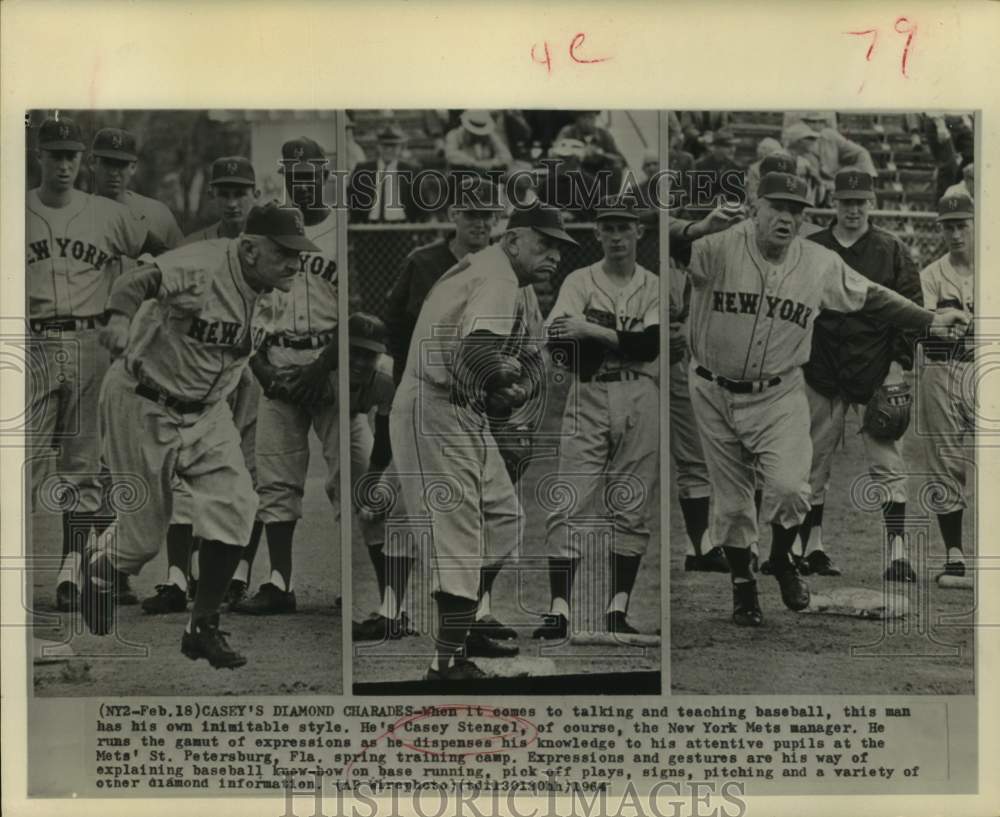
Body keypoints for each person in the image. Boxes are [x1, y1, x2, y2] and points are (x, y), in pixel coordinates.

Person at [685, 171, 969, 627]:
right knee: (735, 504)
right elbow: (659, 238)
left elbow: (872, 297)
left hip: (779, 391)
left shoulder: (817, 261)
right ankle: (743, 586)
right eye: (776, 206)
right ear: (756, 207)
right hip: (713, 391)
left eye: (795, 210)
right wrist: (696, 228)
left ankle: (782, 559)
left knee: (791, 486)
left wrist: (928, 320)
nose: (786, 217)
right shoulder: (717, 243)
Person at [85, 203, 315, 668]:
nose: (295, 261)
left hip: (208, 411)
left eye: (299, 252)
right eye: (284, 251)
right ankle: (97, 570)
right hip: (144, 398)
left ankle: (202, 627)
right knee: (140, 540)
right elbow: (138, 281)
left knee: (238, 506)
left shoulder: (277, 290)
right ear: (250, 250)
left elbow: (244, 350)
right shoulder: (205, 264)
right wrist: (118, 318)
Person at [391, 203, 573, 681]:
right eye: (544, 243)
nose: (554, 255)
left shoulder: (502, 274)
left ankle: (464, 624)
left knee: (504, 517)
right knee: (459, 537)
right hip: (433, 405)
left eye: (559, 247)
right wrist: (501, 383)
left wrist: (504, 387)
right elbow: (476, 353)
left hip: (457, 406)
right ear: (513, 241)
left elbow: (500, 357)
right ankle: (445, 664)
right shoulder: (498, 277)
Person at [26, 117, 161, 614]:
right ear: (38, 155)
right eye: (55, 154)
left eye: (71, 156)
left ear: (82, 161)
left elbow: (164, 260)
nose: (63, 164)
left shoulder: (106, 215)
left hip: (90, 341)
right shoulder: (13, 207)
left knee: (82, 469)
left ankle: (69, 573)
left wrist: (132, 314)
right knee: (20, 465)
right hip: (30, 343)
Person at [140, 155, 262, 615]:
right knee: (184, 475)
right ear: (213, 194)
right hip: (196, 371)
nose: (233, 201)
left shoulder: (272, 248)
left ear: (255, 194)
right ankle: (176, 575)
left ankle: (232, 575)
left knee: (246, 470)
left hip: (250, 365)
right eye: (225, 192)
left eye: (241, 192)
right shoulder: (195, 246)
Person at [533, 199, 660, 638]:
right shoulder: (578, 280)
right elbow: (558, 337)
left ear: (639, 232)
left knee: (631, 504)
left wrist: (592, 331)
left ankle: (617, 610)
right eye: (609, 228)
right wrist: (609, 339)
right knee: (569, 499)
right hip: (587, 394)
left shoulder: (654, 286)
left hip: (641, 393)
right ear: (598, 234)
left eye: (625, 227)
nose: (617, 236)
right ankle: (560, 609)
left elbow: (649, 347)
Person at [789, 169, 923, 580]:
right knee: (812, 461)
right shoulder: (811, 248)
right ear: (834, 202)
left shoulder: (891, 249)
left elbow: (911, 307)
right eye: (846, 201)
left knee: (887, 462)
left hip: (875, 367)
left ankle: (896, 552)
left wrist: (899, 363)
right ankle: (811, 547)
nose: (853, 208)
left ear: (871, 202)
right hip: (821, 366)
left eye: (860, 201)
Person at [232, 137, 340, 615]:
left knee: (348, 476)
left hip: (331, 364)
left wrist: (322, 368)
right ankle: (279, 582)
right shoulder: (267, 230)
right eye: (292, 171)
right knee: (274, 480)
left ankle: (352, 588)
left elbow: (356, 315)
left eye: (310, 170)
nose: (302, 179)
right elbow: (246, 307)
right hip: (275, 361)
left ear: (325, 171)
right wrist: (263, 369)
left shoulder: (342, 228)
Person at [385, 180, 501, 385]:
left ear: (496, 218)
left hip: (484, 379)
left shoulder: (504, 266)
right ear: (453, 214)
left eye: (486, 215)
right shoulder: (423, 262)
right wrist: (406, 373)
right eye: (471, 214)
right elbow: (397, 321)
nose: (479, 223)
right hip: (429, 379)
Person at [347, 314, 417, 641]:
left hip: (389, 428)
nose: (361, 361)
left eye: (369, 354)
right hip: (334, 416)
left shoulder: (388, 375)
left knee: (378, 512)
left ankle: (392, 610)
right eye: (354, 352)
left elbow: (388, 435)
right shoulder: (323, 370)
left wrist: (373, 483)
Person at [917, 195, 975, 577]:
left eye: (962, 225)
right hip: (943, 367)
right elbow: (923, 329)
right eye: (948, 226)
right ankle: (954, 553)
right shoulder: (932, 275)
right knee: (944, 460)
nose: (955, 234)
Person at [90, 127, 184, 249]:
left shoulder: (158, 214)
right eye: (107, 163)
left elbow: (183, 259)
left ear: (133, 167)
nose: (113, 172)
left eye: (121, 164)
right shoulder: (77, 214)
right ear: (92, 163)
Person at [782, 121, 876, 207]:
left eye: (792, 146)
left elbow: (861, 154)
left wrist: (863, 180)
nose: (792, 151)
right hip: (821, 190)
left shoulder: (829, 137)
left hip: (839, 183)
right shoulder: (802, 157)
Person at [347, 125, 422, 223]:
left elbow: (420, 205)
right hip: (369, 228)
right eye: (385, 146)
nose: (389, 150)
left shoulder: (411, 171)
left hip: (401, 227)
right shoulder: (362, 170)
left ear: (401, 148)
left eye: (393, 146)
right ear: (378, 146)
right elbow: (353, 200)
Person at [181, 156, 260, 243]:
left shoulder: (272, 244)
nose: (232, 204)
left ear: (255, 196)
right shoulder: (191, 245)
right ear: (212, 196)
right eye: (223, 195)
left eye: (240, 194)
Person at [555, 111, 626, 190]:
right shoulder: (568, 132)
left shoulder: (603, 134)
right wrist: (577, 153)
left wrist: (601, 154)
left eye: (591, 117)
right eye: (584, 117)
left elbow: (620, 160)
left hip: (599, 173)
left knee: (616, 170)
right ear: (577, 119)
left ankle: (609, 200)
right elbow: (556, 152)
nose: (588, 121)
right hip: (576, 173)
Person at [443, 110, 513, 176]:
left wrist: (491, 163)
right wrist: (475, 163)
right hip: (463, 175)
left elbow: (506, 156)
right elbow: (451, 155)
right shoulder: (454, 135)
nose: (478, 134)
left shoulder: (490, 135)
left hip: (486, 174)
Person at [692, 128, 744, 209]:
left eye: (734, 146)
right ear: (716, 147)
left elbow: (740, 198)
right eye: (728, 146)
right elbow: (694, 197)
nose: (732, 150)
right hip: (703, 212)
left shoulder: (736, 168)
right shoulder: (700, 166)